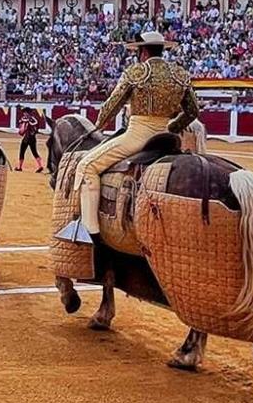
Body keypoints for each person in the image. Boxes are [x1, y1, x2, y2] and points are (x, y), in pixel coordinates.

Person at [56, 29, 200, 244]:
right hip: (168, 136)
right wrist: (172, 126)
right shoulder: (180, 75)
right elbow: (193, 111)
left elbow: (111, 106)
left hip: (138, 135)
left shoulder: (136, 73)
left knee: (87, 166)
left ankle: (90, 233)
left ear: (143, 53)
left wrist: (99, 125)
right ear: (162, 50)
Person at [15, 106, 44, 172]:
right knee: (22, 152)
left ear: (28, 113)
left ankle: (40, 166)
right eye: (24, 112)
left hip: (31, 138)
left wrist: (28, 122)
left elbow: (35, 124)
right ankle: (20, 167)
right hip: (27, 138)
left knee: (34, 152)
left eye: (25, 112)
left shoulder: (32, 119)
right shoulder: (25, 118)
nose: (24, 114)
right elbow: (21, 123)